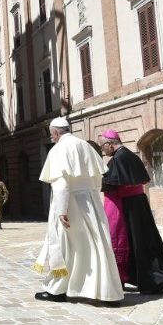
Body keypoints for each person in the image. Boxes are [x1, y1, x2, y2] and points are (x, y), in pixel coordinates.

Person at [33, 117, 124, 305]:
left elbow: (61, 184)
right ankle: (108, 293)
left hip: (70, 203)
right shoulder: (86, 146)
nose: (52, 137)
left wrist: (61, 210)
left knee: (66, 246)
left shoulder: (58, 149)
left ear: (56, 132)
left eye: (52, 134)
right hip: (91, 203)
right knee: (97, 245)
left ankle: (58, 290)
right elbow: (99, 177)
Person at [98, 129, 163, 293]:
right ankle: (146, 279)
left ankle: (149, 281)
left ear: (110, 144)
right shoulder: (127, 155)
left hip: (128, 207)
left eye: (102, 146)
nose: (102, 150)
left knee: (137, 244)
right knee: (141, 243)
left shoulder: (120, 158)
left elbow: (113, 185)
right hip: (136, 205)